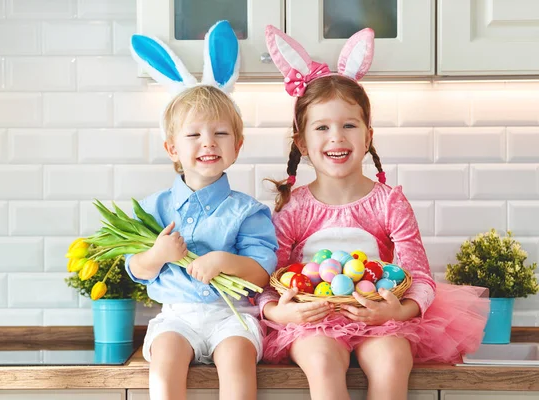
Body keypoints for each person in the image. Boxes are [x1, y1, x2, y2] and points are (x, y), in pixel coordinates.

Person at [256, 25, 489, 400]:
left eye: (350, 125)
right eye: (322, 127)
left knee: (393, 359)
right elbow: (267, 280)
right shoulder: (294, 208)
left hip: (378, 318)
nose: (337, 137)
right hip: (313, 324)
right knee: (320, 360)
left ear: (368, 137)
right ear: (301, 141)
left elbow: (421, 278)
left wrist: (398, 312)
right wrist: (278, 314)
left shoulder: (389, 202)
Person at [127, 21, 278, 400]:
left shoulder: (248, 211)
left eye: (221, 134)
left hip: (233, 315)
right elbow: (136, 270)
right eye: (194, 135)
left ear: (237, 145)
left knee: (238, 359)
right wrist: (158, 254)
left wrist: (224, 260)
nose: (208, 143)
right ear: (173, 149)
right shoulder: (153, 208)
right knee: (165, 361)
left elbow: (261, 274)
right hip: (176, 315)